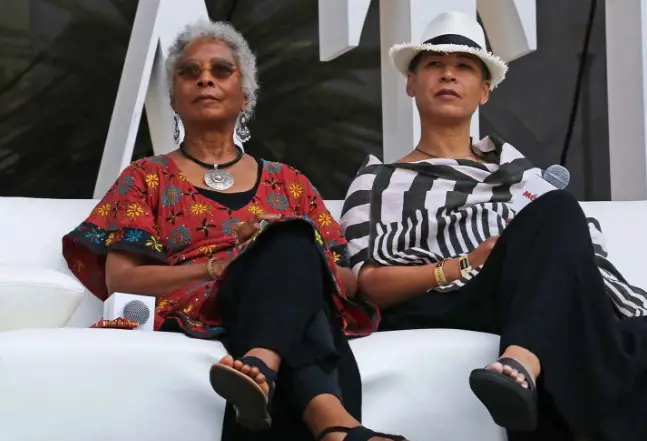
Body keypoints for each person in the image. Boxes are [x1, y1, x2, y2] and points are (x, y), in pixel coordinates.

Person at [62, 20, 406, 441]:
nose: (204, 78)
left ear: (246, 94)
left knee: (290, 241)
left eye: (221, 70)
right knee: (290, 253)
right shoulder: (147, 176)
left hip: (286, 300)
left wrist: (271, 250)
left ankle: (262, 368)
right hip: (202, 307)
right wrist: (223, 265)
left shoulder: (289, 182)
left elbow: (343, 278)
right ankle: (333, 422)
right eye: (189, 72)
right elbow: (123, 278)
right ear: (174, 97)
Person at [340, 11, 647, 441]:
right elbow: (365, 284)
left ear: (484, 91)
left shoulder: (524, 177)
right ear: (411, 83)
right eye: (434, 64)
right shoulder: (377, 181)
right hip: (445, 297)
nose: (448, 74)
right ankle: (523, 360)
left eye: (464, 66)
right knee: (554, 213)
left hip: (526, 294)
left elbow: (582, 263)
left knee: (555, 209)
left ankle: (521, 365)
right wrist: (464, 261)